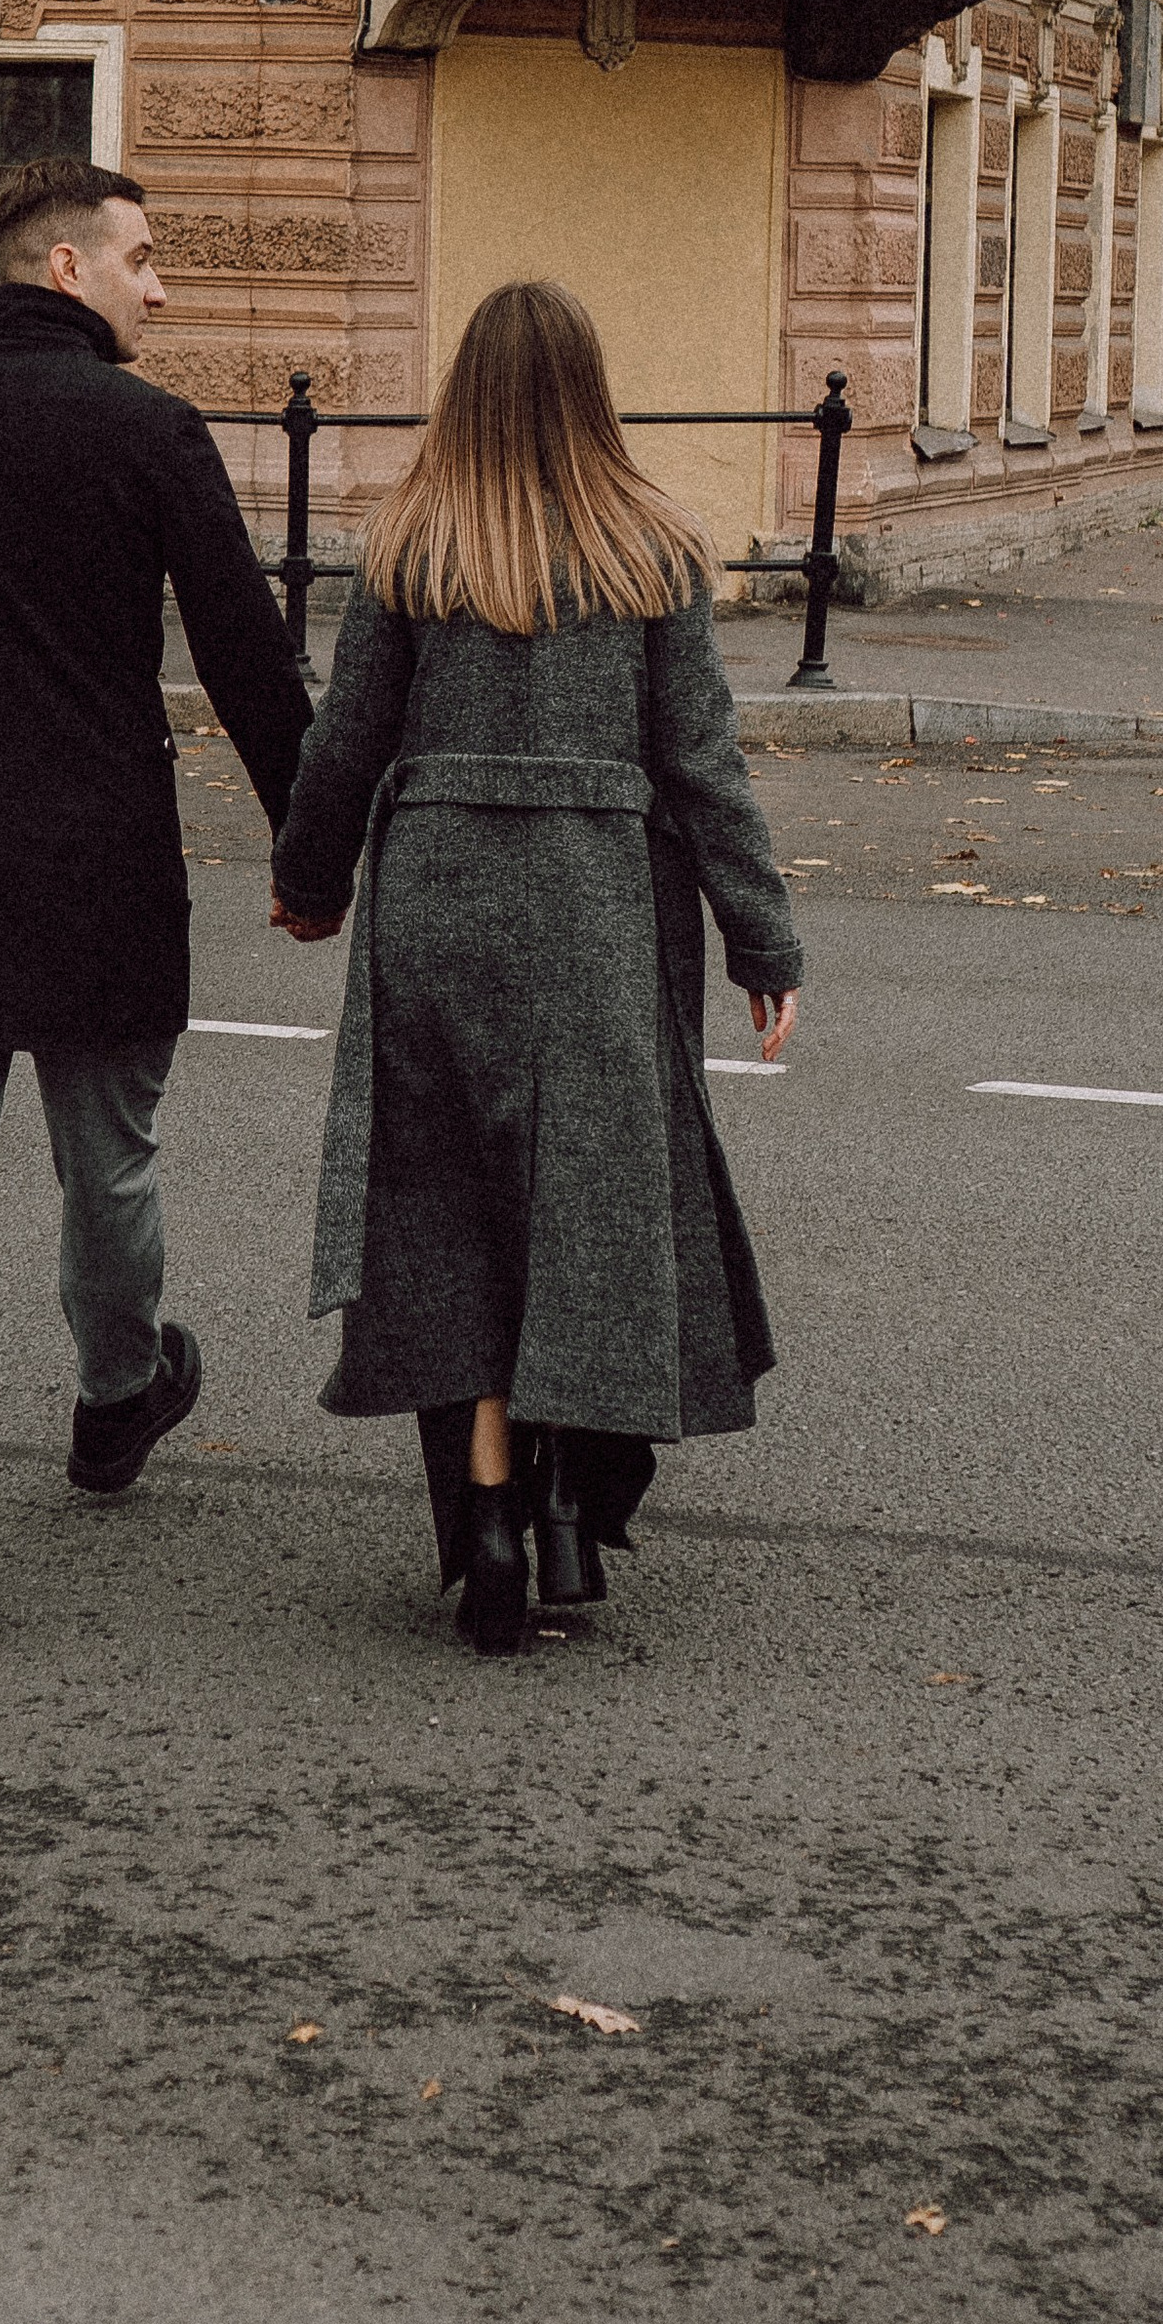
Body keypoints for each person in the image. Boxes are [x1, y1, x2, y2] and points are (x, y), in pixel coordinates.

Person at [267, 279, 803, 1656]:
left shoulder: (414, 544)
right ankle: (573, 1510)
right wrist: (764, 938)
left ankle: (492, 1520)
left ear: (465, 392)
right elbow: (702, 768)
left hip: (439, 898)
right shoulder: (652, 550)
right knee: (589, 1207)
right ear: (590, 392)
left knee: (453, 1215)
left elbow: (344, 744)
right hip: (598, 908)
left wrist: (311, 885)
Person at [0, 159, 312, 1640]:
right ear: (64, 270)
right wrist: (311, 844)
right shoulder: (149, 427)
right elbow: (241, 649)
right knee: (110, 1166)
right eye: (144, 260)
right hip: (97, 856)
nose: (162, 286)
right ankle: (116, 1394)